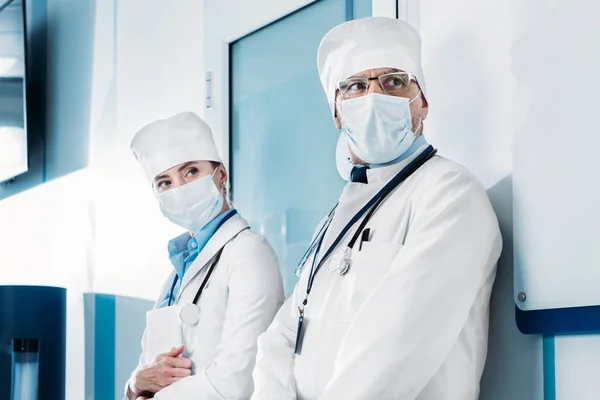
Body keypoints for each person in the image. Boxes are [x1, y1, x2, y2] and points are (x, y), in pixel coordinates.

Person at [251, 17, 502, 400]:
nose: (373, 97)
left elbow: (393, 350)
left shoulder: (450, 195)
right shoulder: (335, 219)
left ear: (423, 105)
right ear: (337, 113)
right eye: (354, 86)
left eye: (393, 82)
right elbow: (281, 335)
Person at [124, 112, 285, 400]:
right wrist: (135, 383)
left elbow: (236, 382)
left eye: (190, 172)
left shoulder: (249, 254)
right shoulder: (176, 274)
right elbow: (146, 373)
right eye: (164, 182)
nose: (180, 189)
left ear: (220, 175)